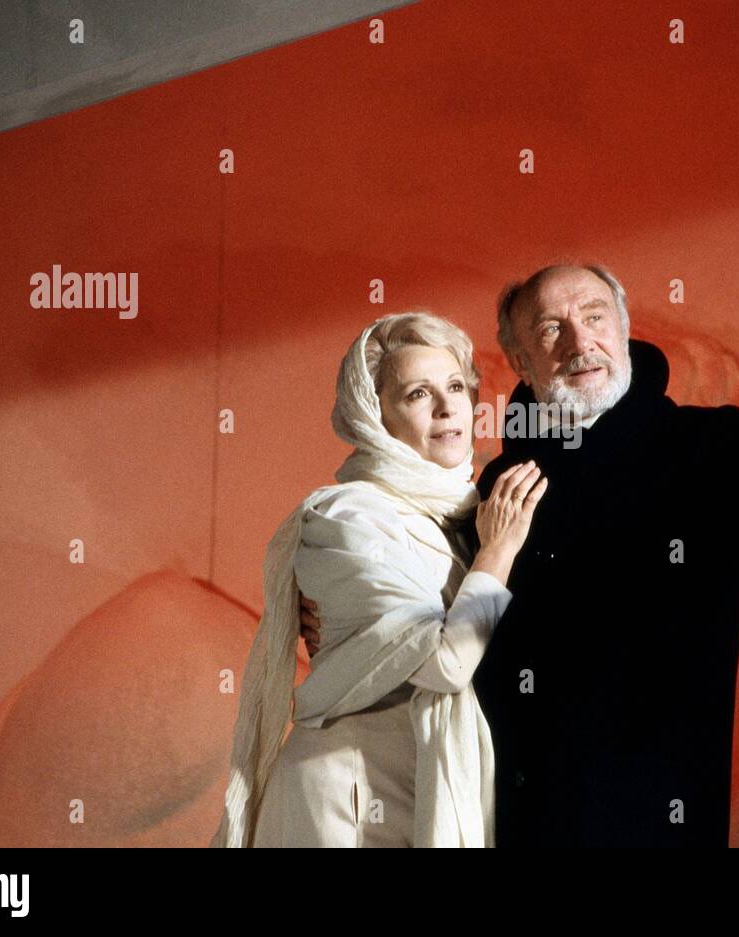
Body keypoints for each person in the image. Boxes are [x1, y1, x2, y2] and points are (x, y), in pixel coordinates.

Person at [302, 264, 739, 846]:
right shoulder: (499, 481)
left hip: (653, 819)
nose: (581, 342)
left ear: (623, 329)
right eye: (552, 329)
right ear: (522, 361)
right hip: (510, 817)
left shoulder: (702, 449)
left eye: (594, 316)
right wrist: (348, 623)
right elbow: (444, 617)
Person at [212, 312, 546, 847]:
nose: (446, 407)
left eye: (456, 386)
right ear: (374, 417)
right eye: (417, 394)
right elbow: (447, 660)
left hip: (413, 790)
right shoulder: (347, 519)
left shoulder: (458, 514)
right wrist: (499, 550)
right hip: (345, 800)